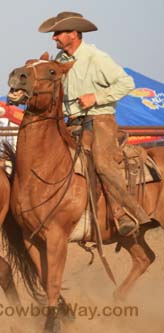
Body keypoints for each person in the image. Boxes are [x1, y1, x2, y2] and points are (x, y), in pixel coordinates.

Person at [39, 11, 147, 236]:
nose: (54, 38)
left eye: (58, 33)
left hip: (100, 120)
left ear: (74, 34)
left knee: (102, 162)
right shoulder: (60, 61)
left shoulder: (96, 58)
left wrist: (95, 97)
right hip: (72, 121)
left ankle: (124, 213)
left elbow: (127, 83)